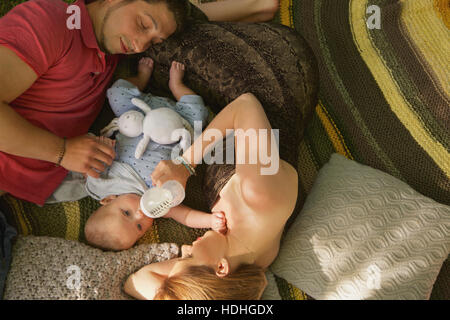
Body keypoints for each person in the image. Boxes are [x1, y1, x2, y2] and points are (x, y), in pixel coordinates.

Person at [0, 0, 279, 204]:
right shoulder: (51, 21)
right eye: (143, 24)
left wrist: (181, 8)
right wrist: (62, 152)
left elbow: (262, 5)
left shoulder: (110, 49)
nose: (140, 45)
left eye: (154, 40)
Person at [123, 92, 299, 300]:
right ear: (221, 267)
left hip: (214, 122)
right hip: (272, 99)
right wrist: (185, 165)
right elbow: (246, 104)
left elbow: (133, 284)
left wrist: (183, 280)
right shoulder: (258, 197)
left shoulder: (241, 269)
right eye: (189, 257)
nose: (186, 248)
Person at [84, 58, 227, 251]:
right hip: (177, 124)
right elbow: (184, 216)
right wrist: (210, 221)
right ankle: (176, 85)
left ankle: (141, 78)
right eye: (139, 227)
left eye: (126, 213)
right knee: (198, 113)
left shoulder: (104, 181)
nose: (141, 214)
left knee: (117, 93)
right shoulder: (159, 201)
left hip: (138, 115)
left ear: (109, 200)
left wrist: (102, 145)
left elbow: (89, 153)